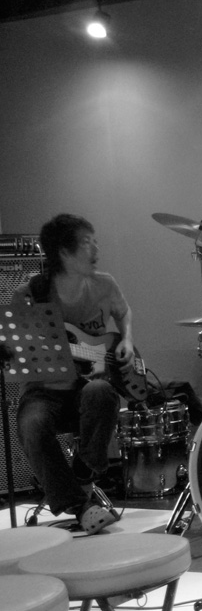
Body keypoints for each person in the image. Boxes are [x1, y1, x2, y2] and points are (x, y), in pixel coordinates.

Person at [13, 214, 135, 534]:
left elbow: (124, 313)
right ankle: (81, 506)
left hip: (84, 387)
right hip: (44, 391)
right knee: (31, 423)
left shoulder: (105, 284)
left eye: (95, 241)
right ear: (64, 253)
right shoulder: (31, 293)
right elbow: (18, 346)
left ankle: (83, 473)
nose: (96, 248)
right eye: (86, 242)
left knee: (101, 391)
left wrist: (126, 341)